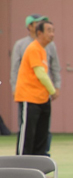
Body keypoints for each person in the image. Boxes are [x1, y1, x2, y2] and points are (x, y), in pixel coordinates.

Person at [12, 15, 61, 149]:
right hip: (30, 98)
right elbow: (41, 74)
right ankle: (21, 167)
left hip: (42, 98)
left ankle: (38, 167)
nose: (52, 34)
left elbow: (53, 69)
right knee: (28, 135)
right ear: (39, 33)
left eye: (53, 31)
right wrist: (53, 90)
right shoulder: (33, 48)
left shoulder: (43, 49)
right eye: (49, 31)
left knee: (41, 137)